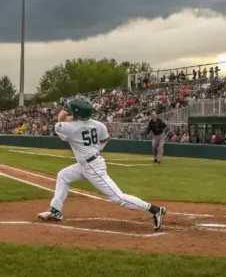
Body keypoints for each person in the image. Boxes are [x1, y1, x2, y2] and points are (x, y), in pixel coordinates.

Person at [37, 96, 167, 230]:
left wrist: (65, 110)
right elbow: (104, 140)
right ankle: (55, 210)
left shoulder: (69, 128)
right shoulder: (99, 124)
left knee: (118, 197)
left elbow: (60, 120)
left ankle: (155, 210)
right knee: (63, 176)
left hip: (92, 167)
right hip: (91, 162)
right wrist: (94, 149)